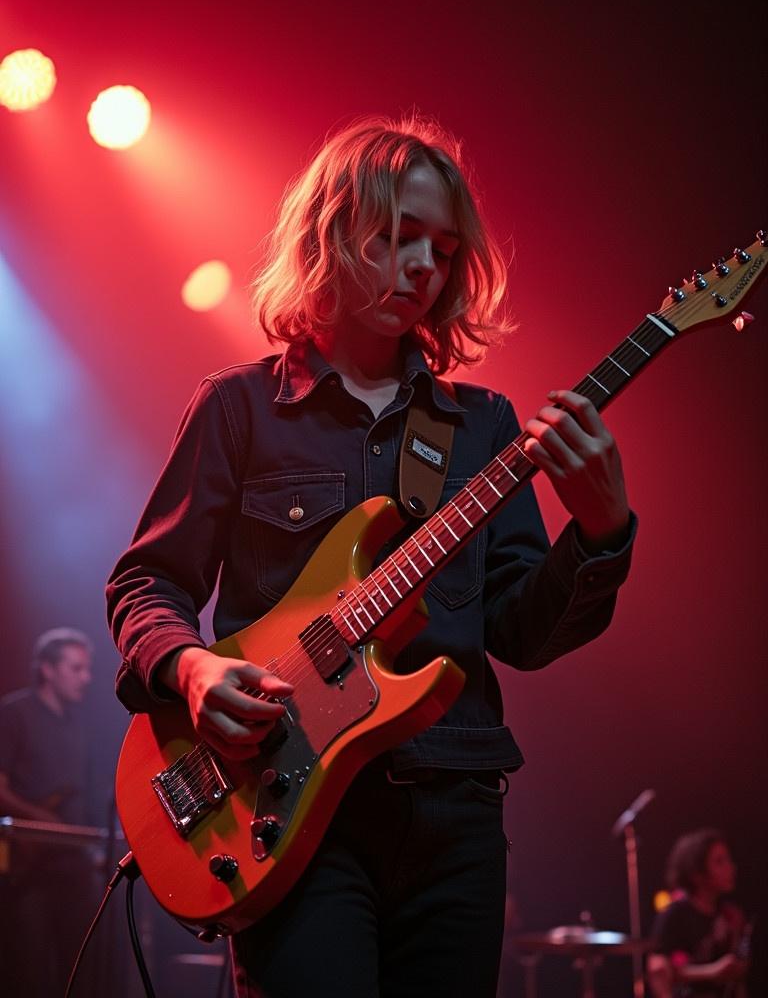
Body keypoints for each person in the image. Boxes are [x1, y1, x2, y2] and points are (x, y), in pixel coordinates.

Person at [106, 115, 635, 997]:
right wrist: (193, 671)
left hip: (453, 811)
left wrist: (602, 531)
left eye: (440, 247)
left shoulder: (484, 428)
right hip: (289, 806)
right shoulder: (241, 409)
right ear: (330, 235)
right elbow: (147, 583)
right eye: (397, 238)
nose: (423, 266)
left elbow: (522, 633)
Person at [0, 627, 94, 997]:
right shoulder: (13, 713)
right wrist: (44, 822)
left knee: (77, 968)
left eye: (87, 669)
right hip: (27, 869)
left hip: (73, 864)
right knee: (30, 971)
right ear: (47, 669)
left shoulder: (78, 725)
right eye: (76, 668)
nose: (86, 678)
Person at [647, 829, 749, 998]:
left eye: (728, 859)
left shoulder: (730, 915)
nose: (730, 867)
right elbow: (658, 969)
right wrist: (712, 972)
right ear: (697, 873)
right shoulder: (674, 914)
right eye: (719, 862)